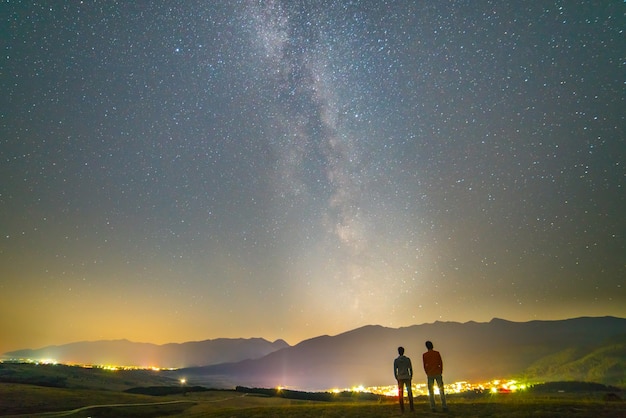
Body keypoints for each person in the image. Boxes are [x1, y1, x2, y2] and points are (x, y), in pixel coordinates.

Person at [422, 340, 447, 412]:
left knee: (431, 391)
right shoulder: (437, 353)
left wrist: (427, 372)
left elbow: (424, 365)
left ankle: (433, 407)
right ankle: (444, 406)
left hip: (430, 374)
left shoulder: (425, 355)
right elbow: (440, 362)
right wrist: (440, 371)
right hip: (437, 372)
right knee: (441, 390)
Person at [393, 346, 414, 413]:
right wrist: (411, 376)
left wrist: (396, 377)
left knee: (400, 393)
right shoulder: (407, 359)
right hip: (407, 377)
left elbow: (395, 370)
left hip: (400, 378)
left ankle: (402, 409)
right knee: (409, 392)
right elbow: (410, 368)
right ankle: (411, 408)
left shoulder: (396, 360)